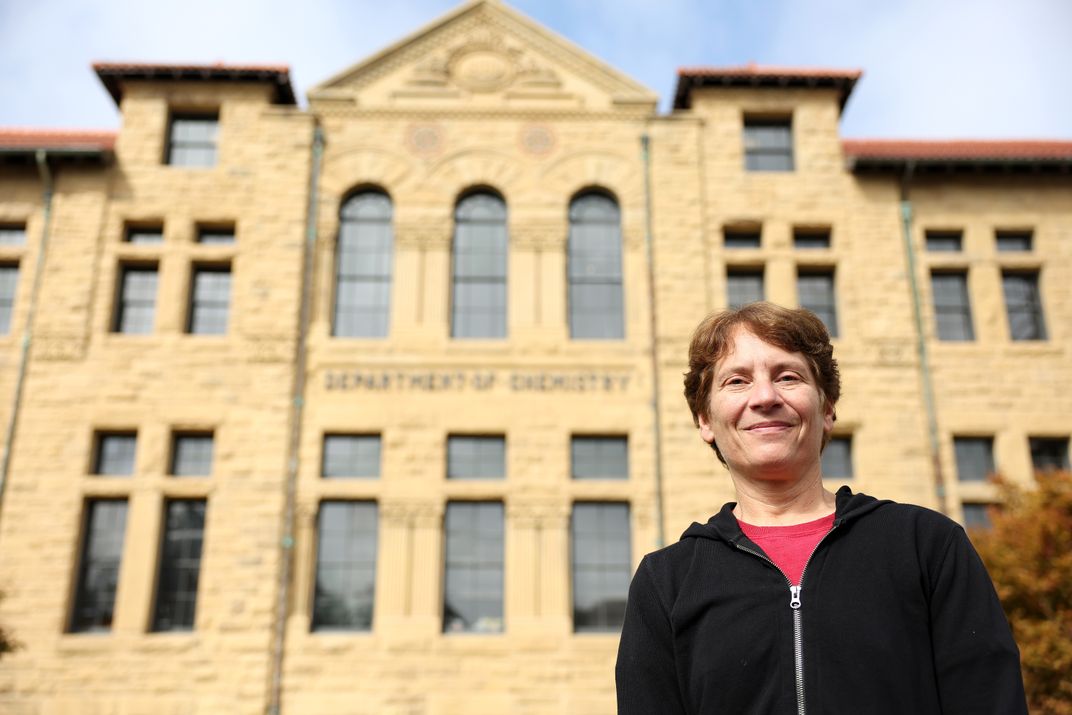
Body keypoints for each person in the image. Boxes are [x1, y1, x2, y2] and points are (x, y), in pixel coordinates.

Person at [615, 302, 1026, 714]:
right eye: (737, 381)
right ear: (705, 420)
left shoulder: (925, 546)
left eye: (788, 377)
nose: (764, 397)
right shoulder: (666, 582)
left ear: (827, 408)